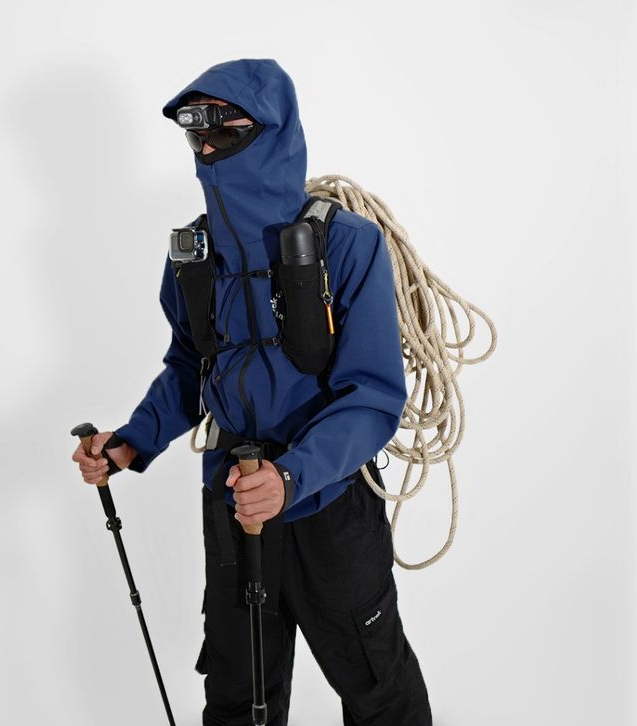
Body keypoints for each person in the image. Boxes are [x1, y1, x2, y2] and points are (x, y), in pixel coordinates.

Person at [72, 58, 432, 726]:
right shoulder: (192, 255)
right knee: (238, 695)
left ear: (272, 130)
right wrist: (129, 443)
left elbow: (374, 395)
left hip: (329, 504)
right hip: (233, 502)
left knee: (378, 690)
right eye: (195, 131)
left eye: (223, 128)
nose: (206, 147)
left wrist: (290, 477)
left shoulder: (348, 245)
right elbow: (191, 367)